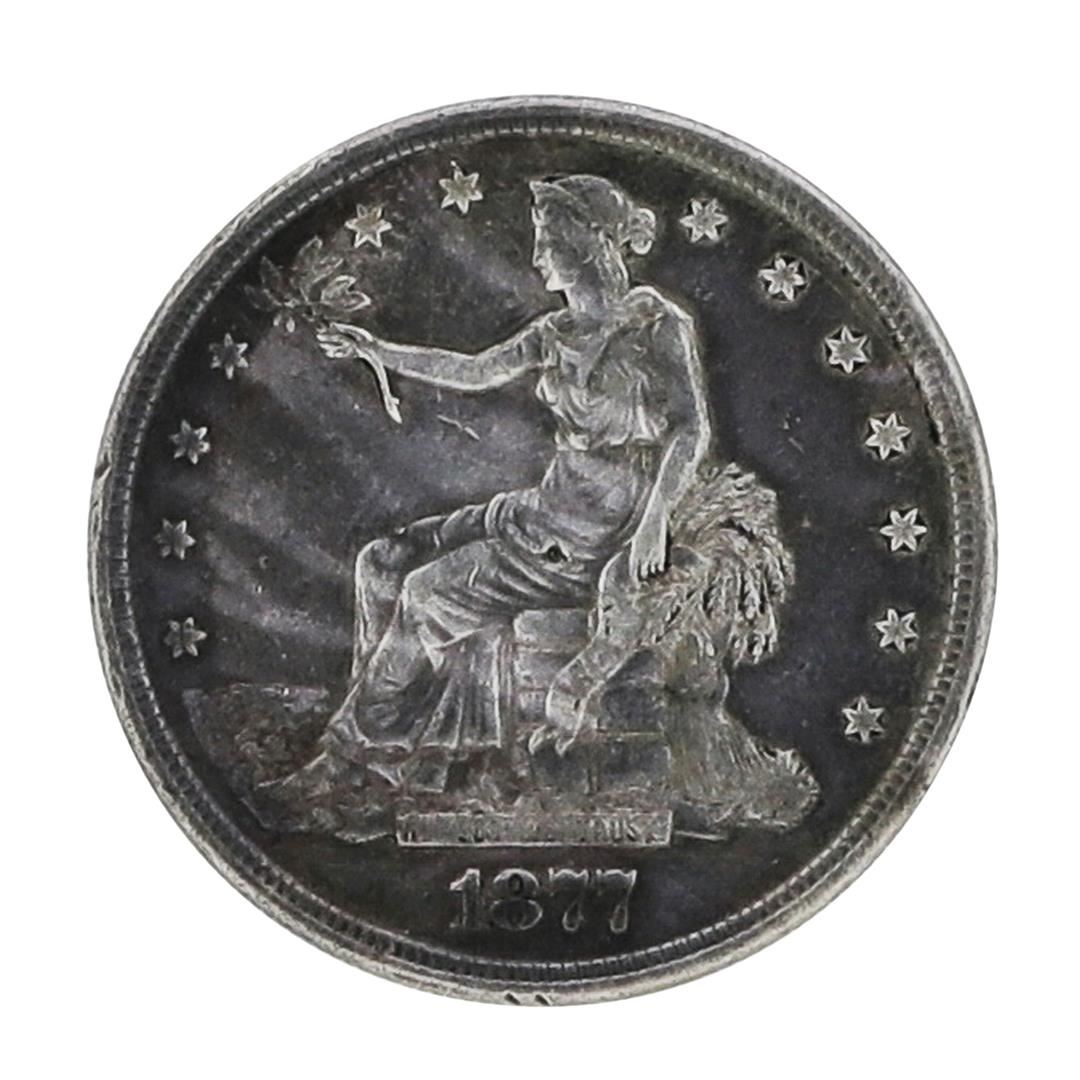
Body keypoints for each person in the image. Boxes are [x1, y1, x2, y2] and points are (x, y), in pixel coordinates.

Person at [282, 174, 711, 801]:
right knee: (382, 560)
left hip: (584, 543)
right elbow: (474, 370)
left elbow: (691, 429)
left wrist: (656, 520)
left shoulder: (656, 326)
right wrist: (376, 350)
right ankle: (408, 746)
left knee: (423, 595)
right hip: (536, 516)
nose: (537, 257)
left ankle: (353, 756)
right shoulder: (555, 333)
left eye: (548, 241)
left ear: (587, 242)